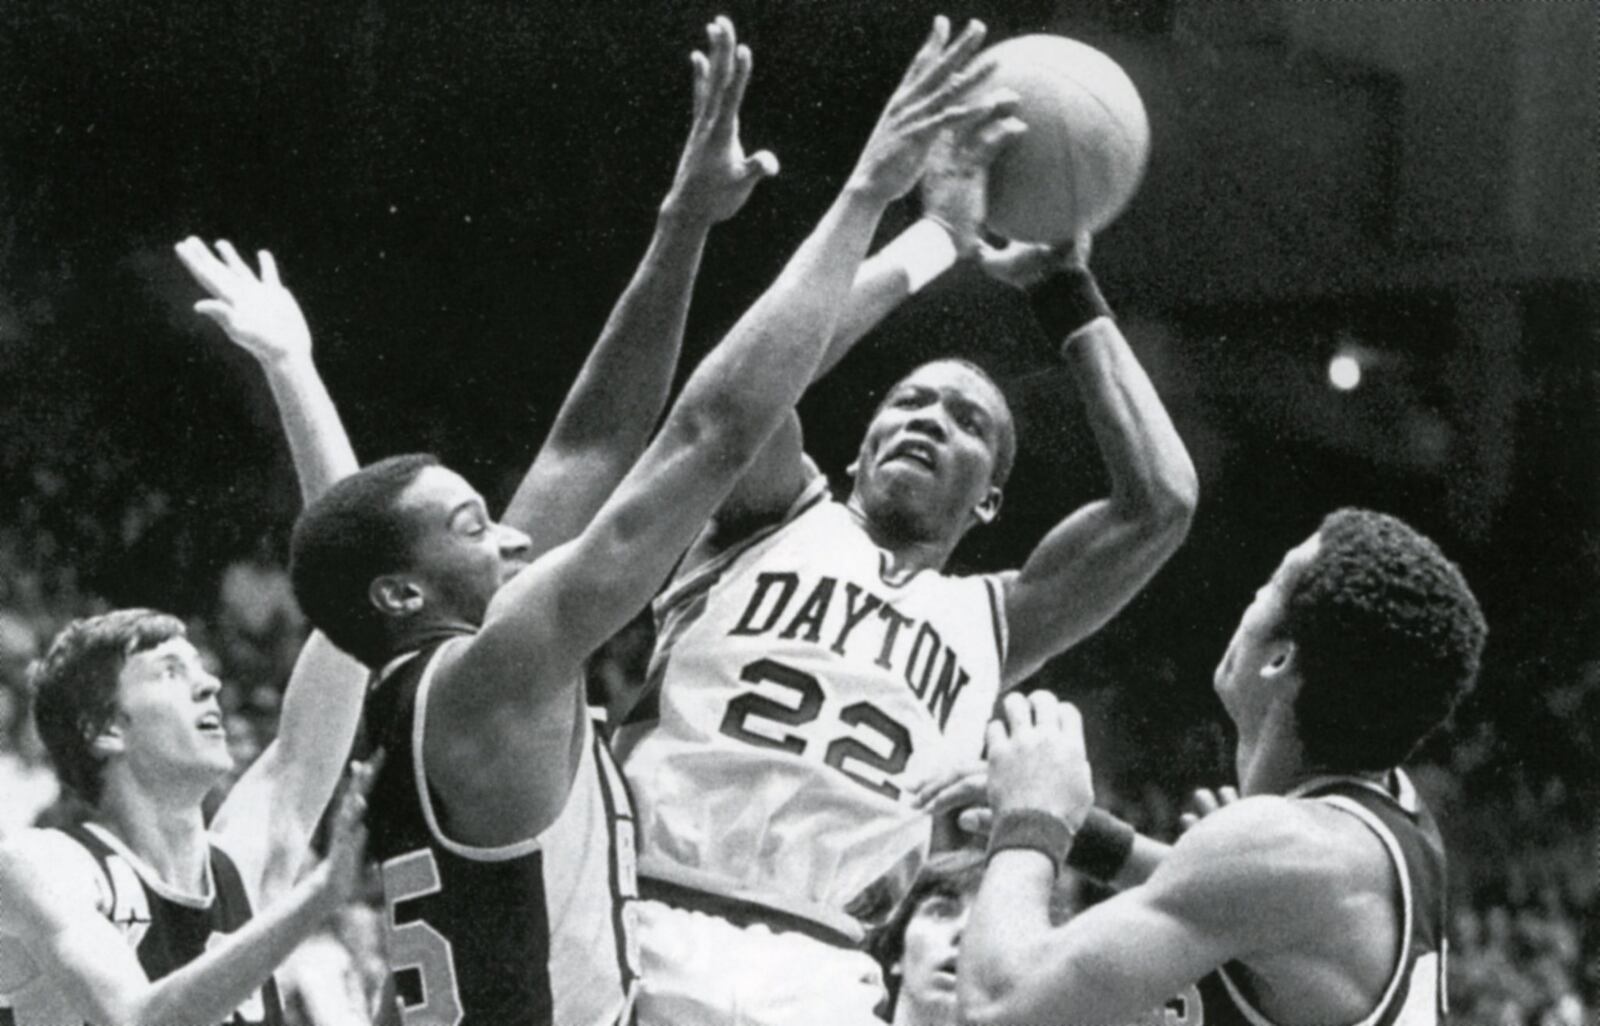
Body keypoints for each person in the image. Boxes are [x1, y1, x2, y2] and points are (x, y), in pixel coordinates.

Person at [286, 16, 1005, 1026]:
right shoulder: (496, 669)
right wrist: (870, 196)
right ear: (407, 591)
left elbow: (594, 442)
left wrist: (684, 225)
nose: (509, 533)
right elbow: (710, 434)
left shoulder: (456, 664)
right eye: (471, 525)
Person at [611, 28, 1197, 1026]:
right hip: (642, 910)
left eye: (969, 421)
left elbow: (1161, 504)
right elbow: (753, 384)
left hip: (827, 962)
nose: (930, 417)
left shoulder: (995, 619)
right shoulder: (767, 512)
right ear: (860, 444)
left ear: (990, 503)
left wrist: (1066, 291)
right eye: (911, 402)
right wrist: (931, 243)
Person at [0, 237, 373, 1026]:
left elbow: (354, 606)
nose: (208, 682)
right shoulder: (46, 866)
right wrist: (312, 904)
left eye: (199, 666)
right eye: (170, 672)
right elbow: (137, 1021)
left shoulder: (245, 859)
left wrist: (291, 367)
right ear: (104, 727)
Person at [960, 508, 1488, 1026]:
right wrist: (1089, 837)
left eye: (1271, 584)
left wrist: (1031, 823)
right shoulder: (1387, 824)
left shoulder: (1287, 848)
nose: (1252, 597)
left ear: (1279, 659)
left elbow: (999, 1008)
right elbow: (1247, 902)